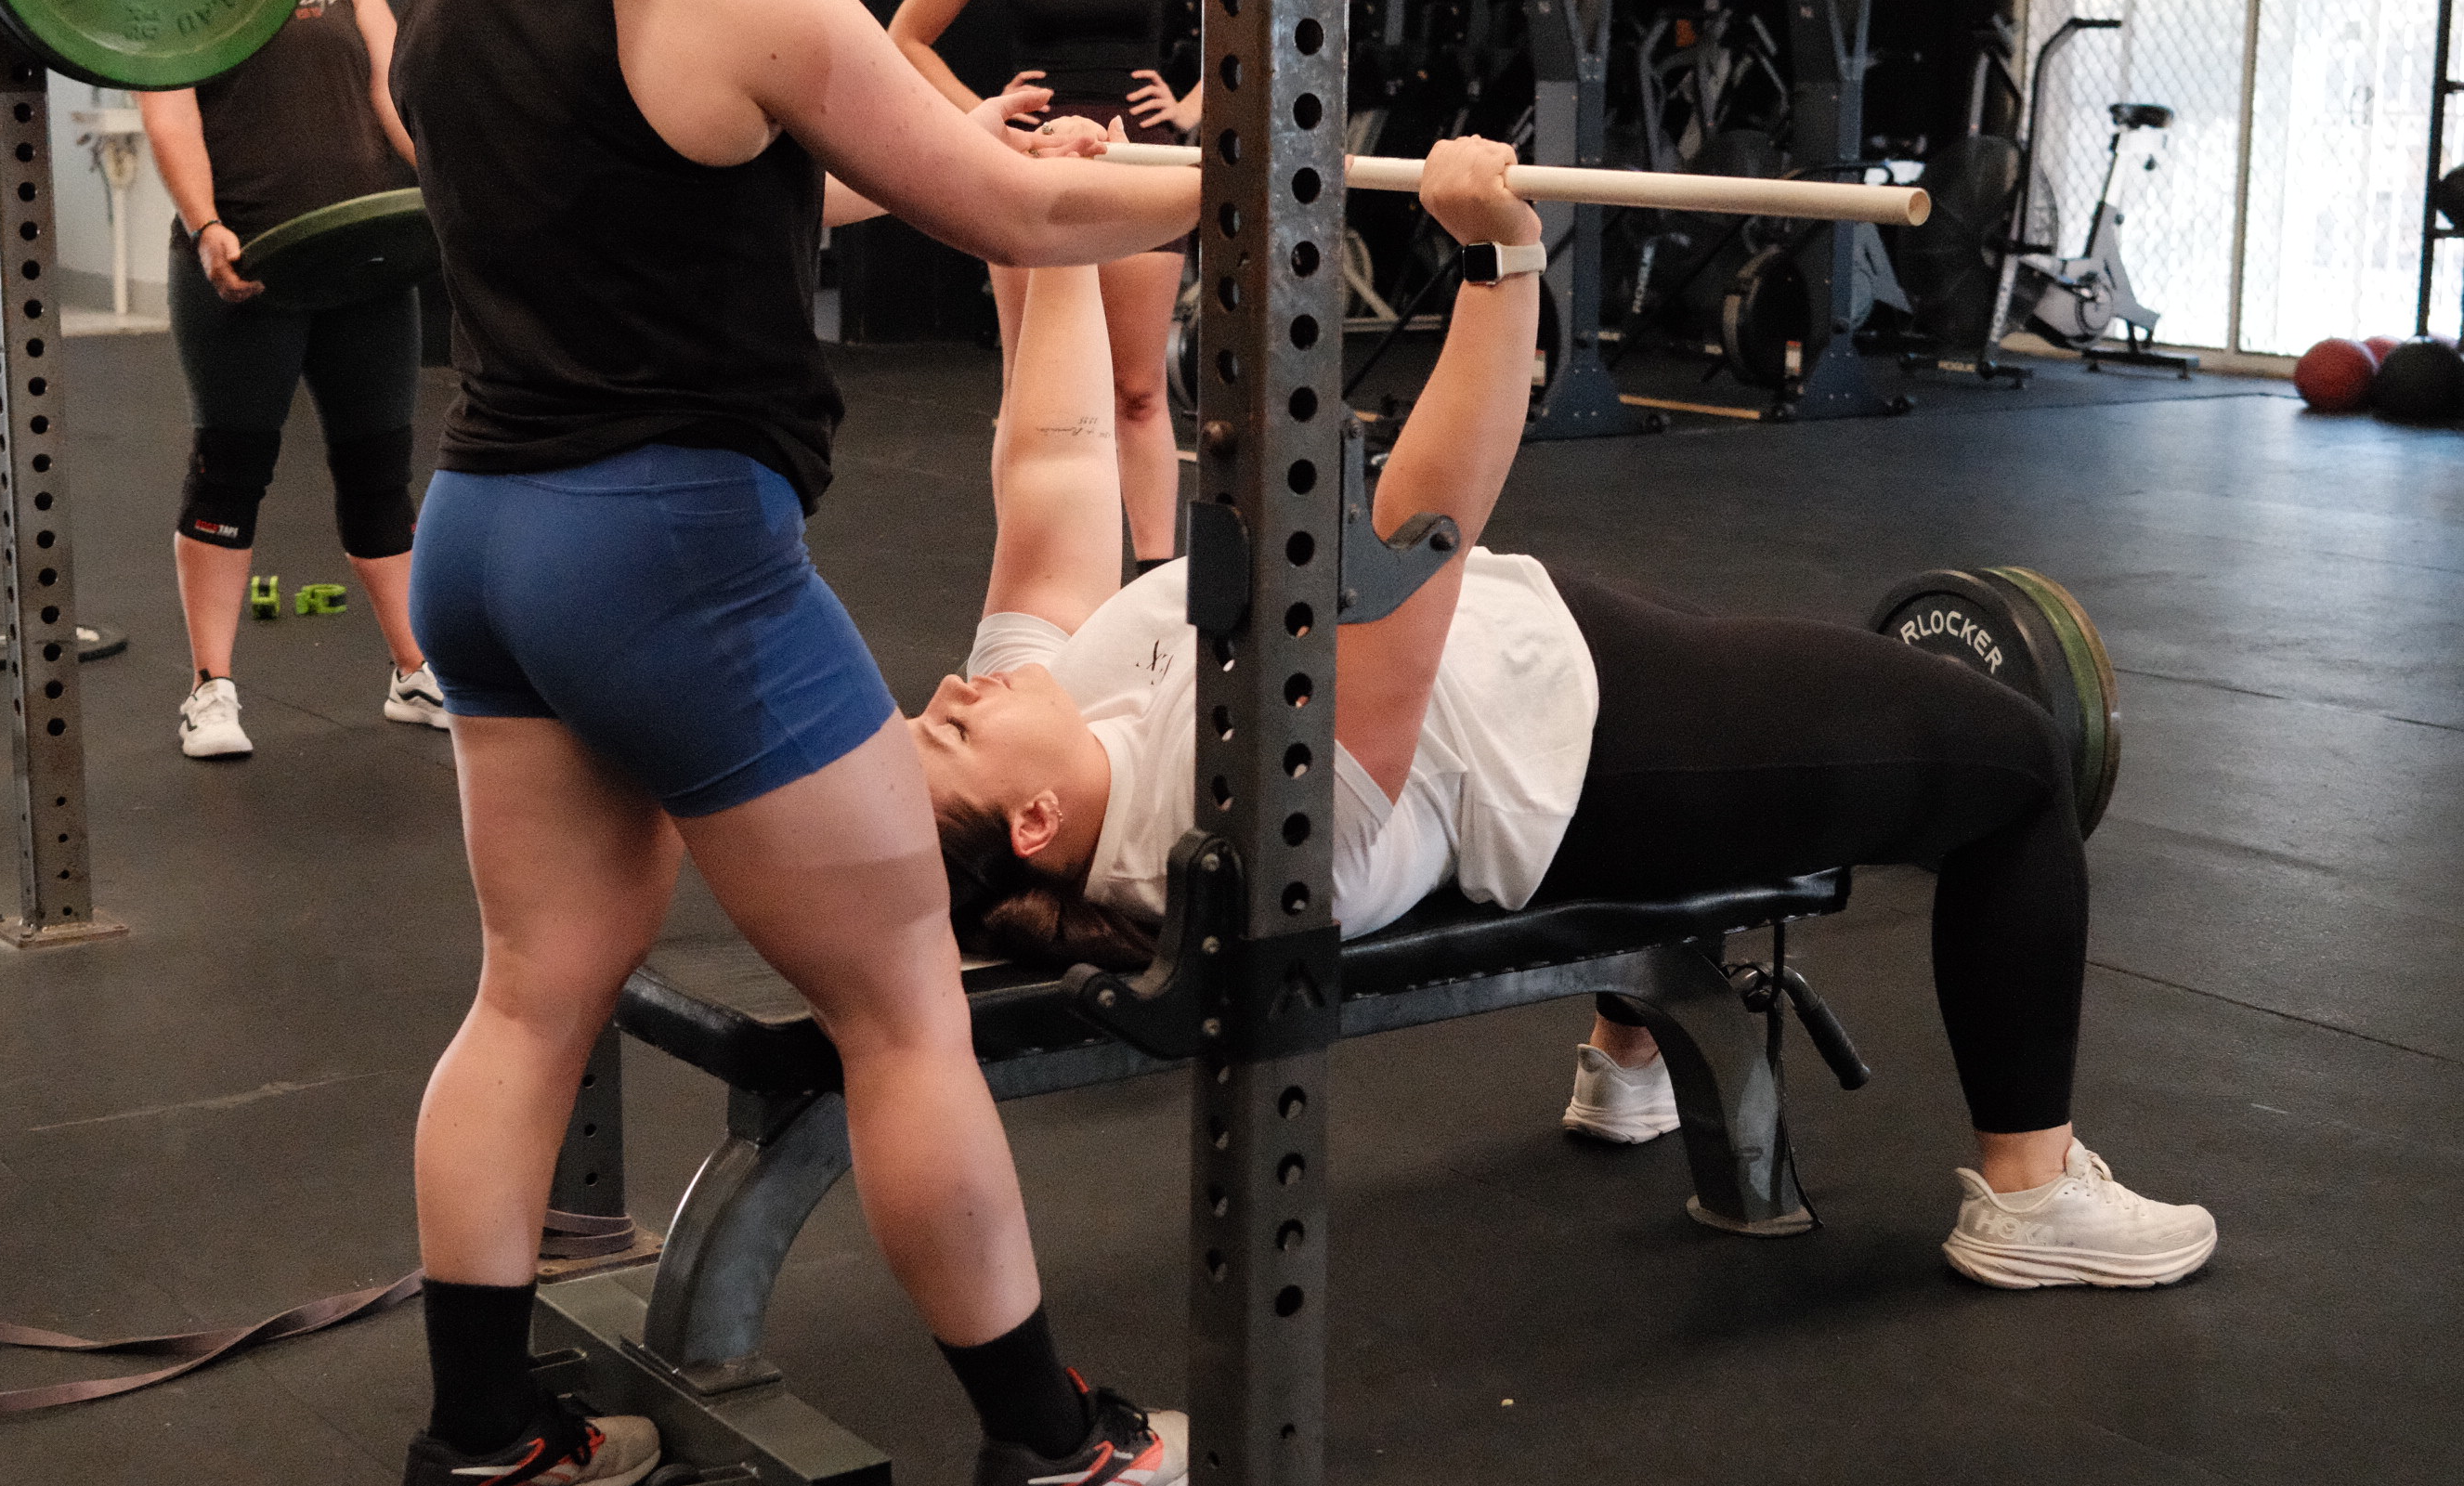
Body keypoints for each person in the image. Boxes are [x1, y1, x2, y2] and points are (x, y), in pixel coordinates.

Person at [921, 135, 2220, 1296]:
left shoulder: (1061, 723)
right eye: (951, 732)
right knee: (2017, 760)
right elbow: (1417, 544)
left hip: (1553, 656)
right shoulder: (1237, 818)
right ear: (1036, 823)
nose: (951, 690)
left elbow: (1053, 464)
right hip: (1608, 766)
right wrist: (1502, 263)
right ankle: (2034, 1194)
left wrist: (1051, 234)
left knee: (1784, 686)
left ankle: (1630, 1053)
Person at [381, 0, 1201, 1486]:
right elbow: (1030, 211)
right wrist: (1258, 180)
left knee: (532, 989)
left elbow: (711, 181)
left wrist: (936, 129)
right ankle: (1046, 1442)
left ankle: (478, 1434)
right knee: (904, 1007)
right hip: (667, 549)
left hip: (484, 529)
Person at [137, 0, 444, 760]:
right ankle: (210, 689)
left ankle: (414, 673)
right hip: (250, 263)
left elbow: (390, 86)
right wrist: (206, 227)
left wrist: (450, 190)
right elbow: (167, 112)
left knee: (380, 471)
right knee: (229, 473)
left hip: (366, 255)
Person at [890, 0, 1206, 569]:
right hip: (1032, 168)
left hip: (1136, 161)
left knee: (1139, 391)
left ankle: (1152, 582)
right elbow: (907, 37)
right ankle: (1029, 577)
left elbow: (1262, 16)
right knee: (1026, 391)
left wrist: (1192, 104)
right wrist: (981, 114)